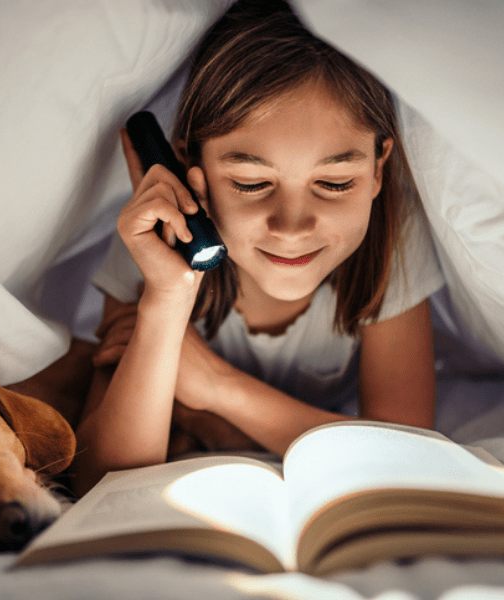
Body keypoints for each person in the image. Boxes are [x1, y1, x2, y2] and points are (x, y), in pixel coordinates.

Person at [73, 0, 444, 494]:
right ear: (189, 167)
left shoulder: (389, 236)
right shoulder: (159, 241)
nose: (292, 228)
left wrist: (218, 389)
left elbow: (408, 451)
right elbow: (101, 479)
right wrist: (167, 299)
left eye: (334, 183)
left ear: (378, 170)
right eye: (250, 183)